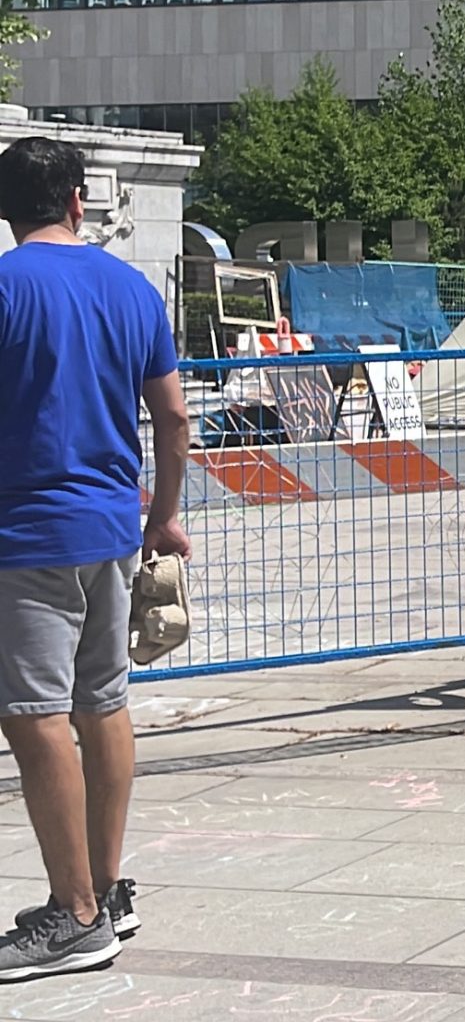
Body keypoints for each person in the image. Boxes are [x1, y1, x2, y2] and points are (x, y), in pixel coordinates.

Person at [0, 137, 190, 981]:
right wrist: (164, 518)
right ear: (79, 200)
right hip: (114, 530)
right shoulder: (131, 287)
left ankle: (73, 911)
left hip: (25, 534)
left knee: (34, 715)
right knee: (103, 702)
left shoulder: (4, 288)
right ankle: (106, 892)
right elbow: (177, 422)